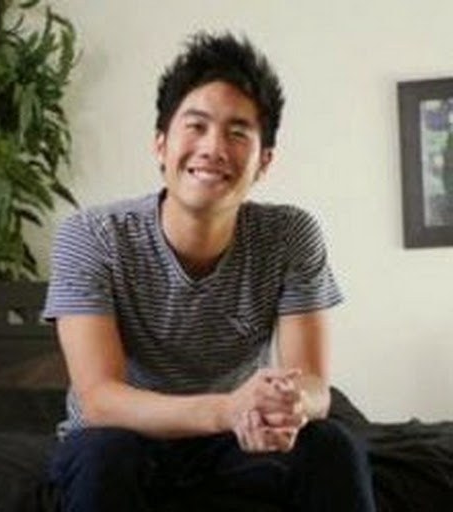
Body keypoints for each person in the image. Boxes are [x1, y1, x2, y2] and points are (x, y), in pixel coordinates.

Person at [43, 31, 376, 512]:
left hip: (236, 440)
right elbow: (100, 399)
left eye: (238, 133)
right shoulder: (91, 235)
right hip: (127, 434)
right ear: (161, 145)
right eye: (196, 126)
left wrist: (287, 404)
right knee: (105, 456)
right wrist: (226, 409)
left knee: (332, 445)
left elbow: (314, 386)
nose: (213, 148)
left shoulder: (290, 234)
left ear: (264, 162)